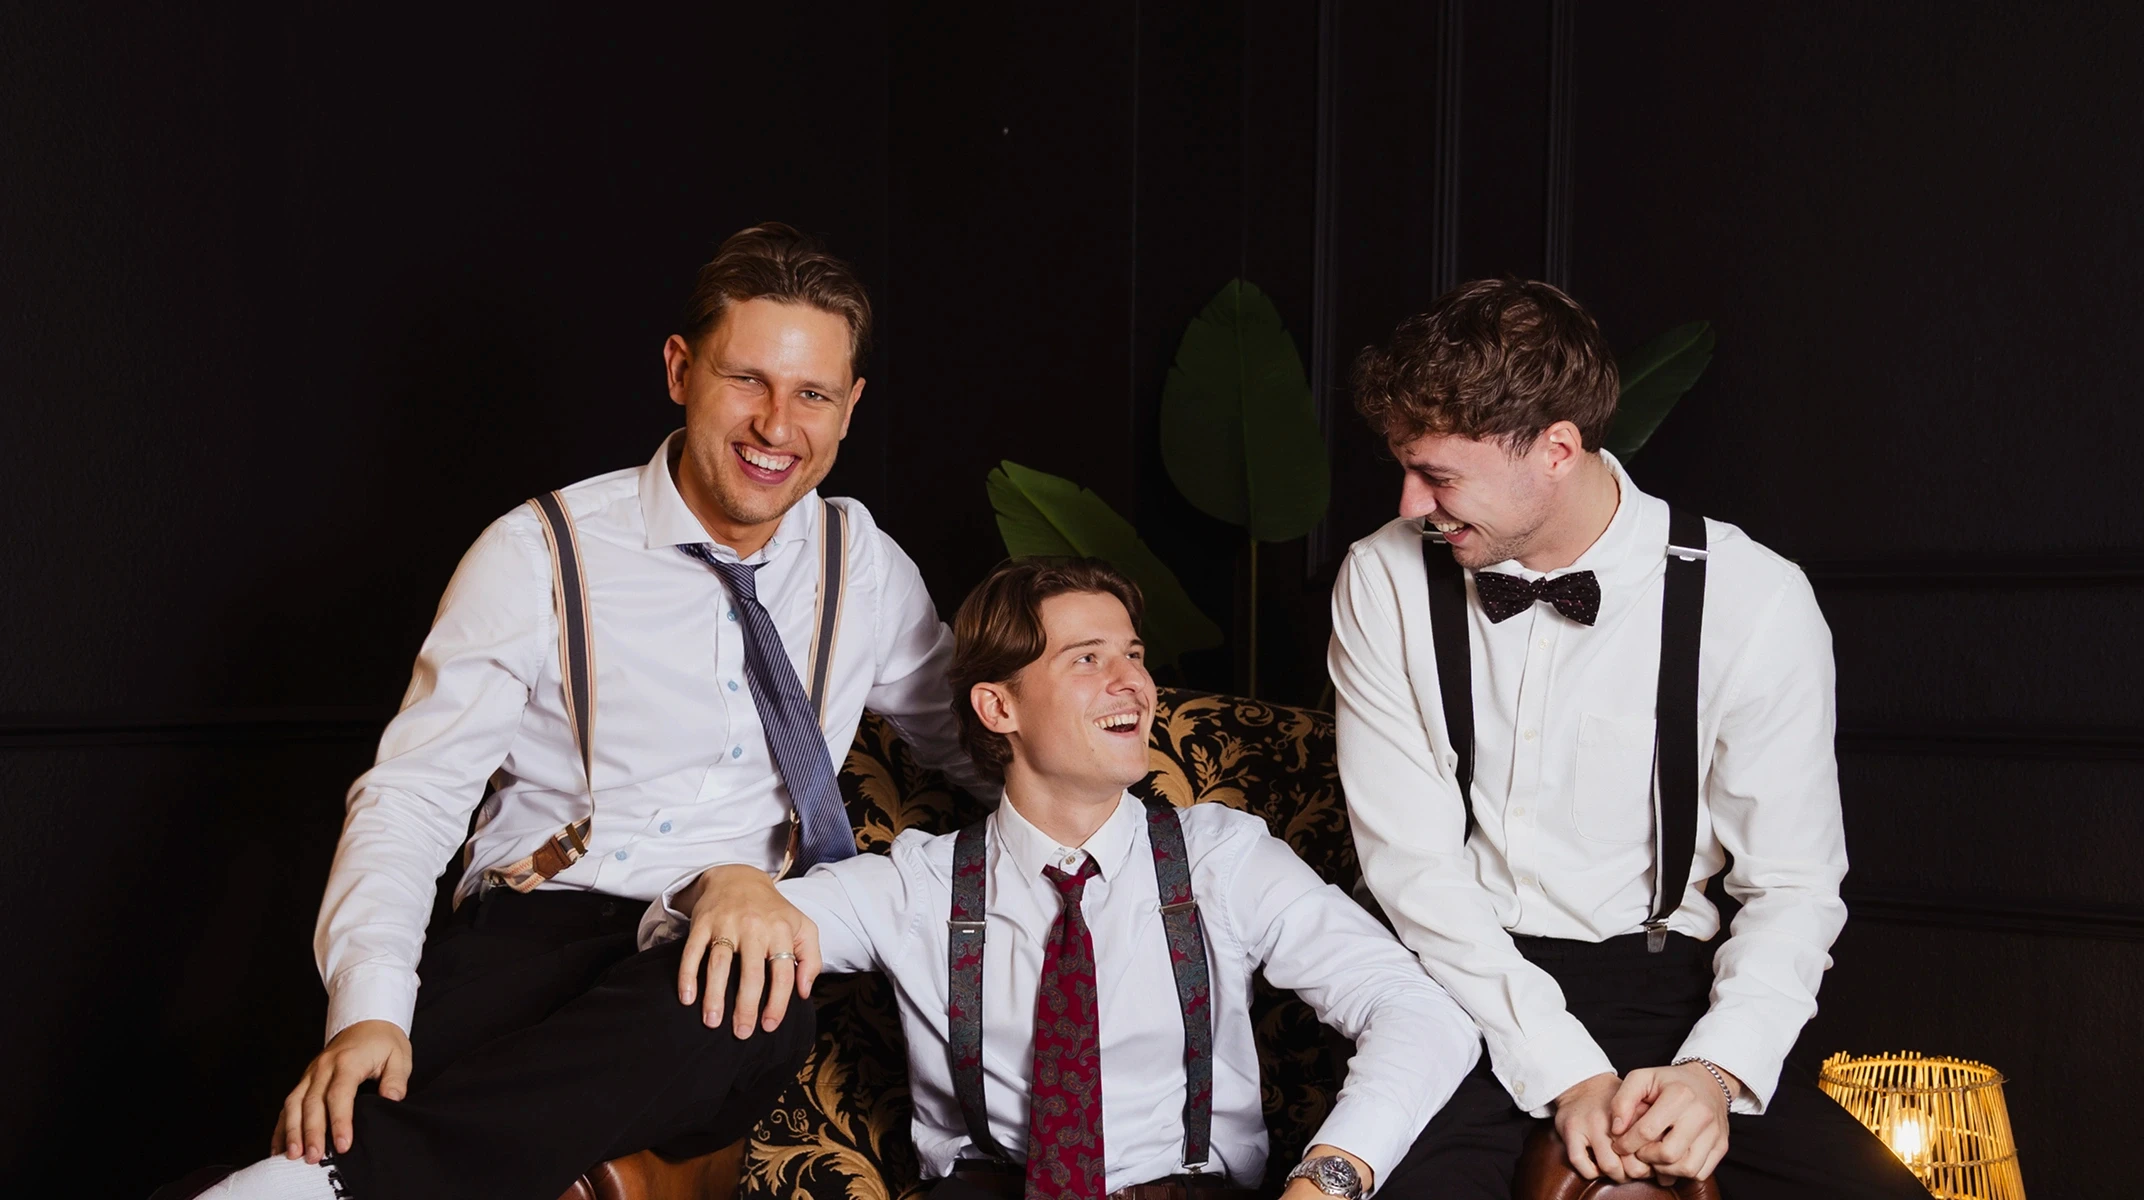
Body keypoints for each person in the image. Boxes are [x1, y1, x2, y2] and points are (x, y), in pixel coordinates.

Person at [158, 223, 981, 1200]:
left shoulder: (866, 567)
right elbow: (413, 795)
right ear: (680, 371)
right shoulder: (539, 551)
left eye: (809, 394)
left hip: (716, 949)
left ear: (848, 407)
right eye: (744, 380)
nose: (775, 425)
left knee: (747, 999)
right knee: (378, 1081)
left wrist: (1118, 798)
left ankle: (317, 1191)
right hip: (533, 926)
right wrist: (369, 1009)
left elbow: (970, 737)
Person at [1327, 278, 1930, 1199]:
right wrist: (1564, 1070)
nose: (1413, 502)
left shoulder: (1755, 598)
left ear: (1558, 450)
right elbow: (1412, 870)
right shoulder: (1381, 579)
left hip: (1666, 990)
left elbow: (1796, 885)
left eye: (1440, 475)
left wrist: (1716, 1074)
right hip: (1459, 984)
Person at [643, 557, 1483, 1200]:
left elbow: (1421, 1015)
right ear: (997, 709)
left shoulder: (1223, 859)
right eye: (1087, 659)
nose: (1135, 684)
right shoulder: (916, 887)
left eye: (1134, 654)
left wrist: (1327, 1181)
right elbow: (674, 936)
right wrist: (719, 884)